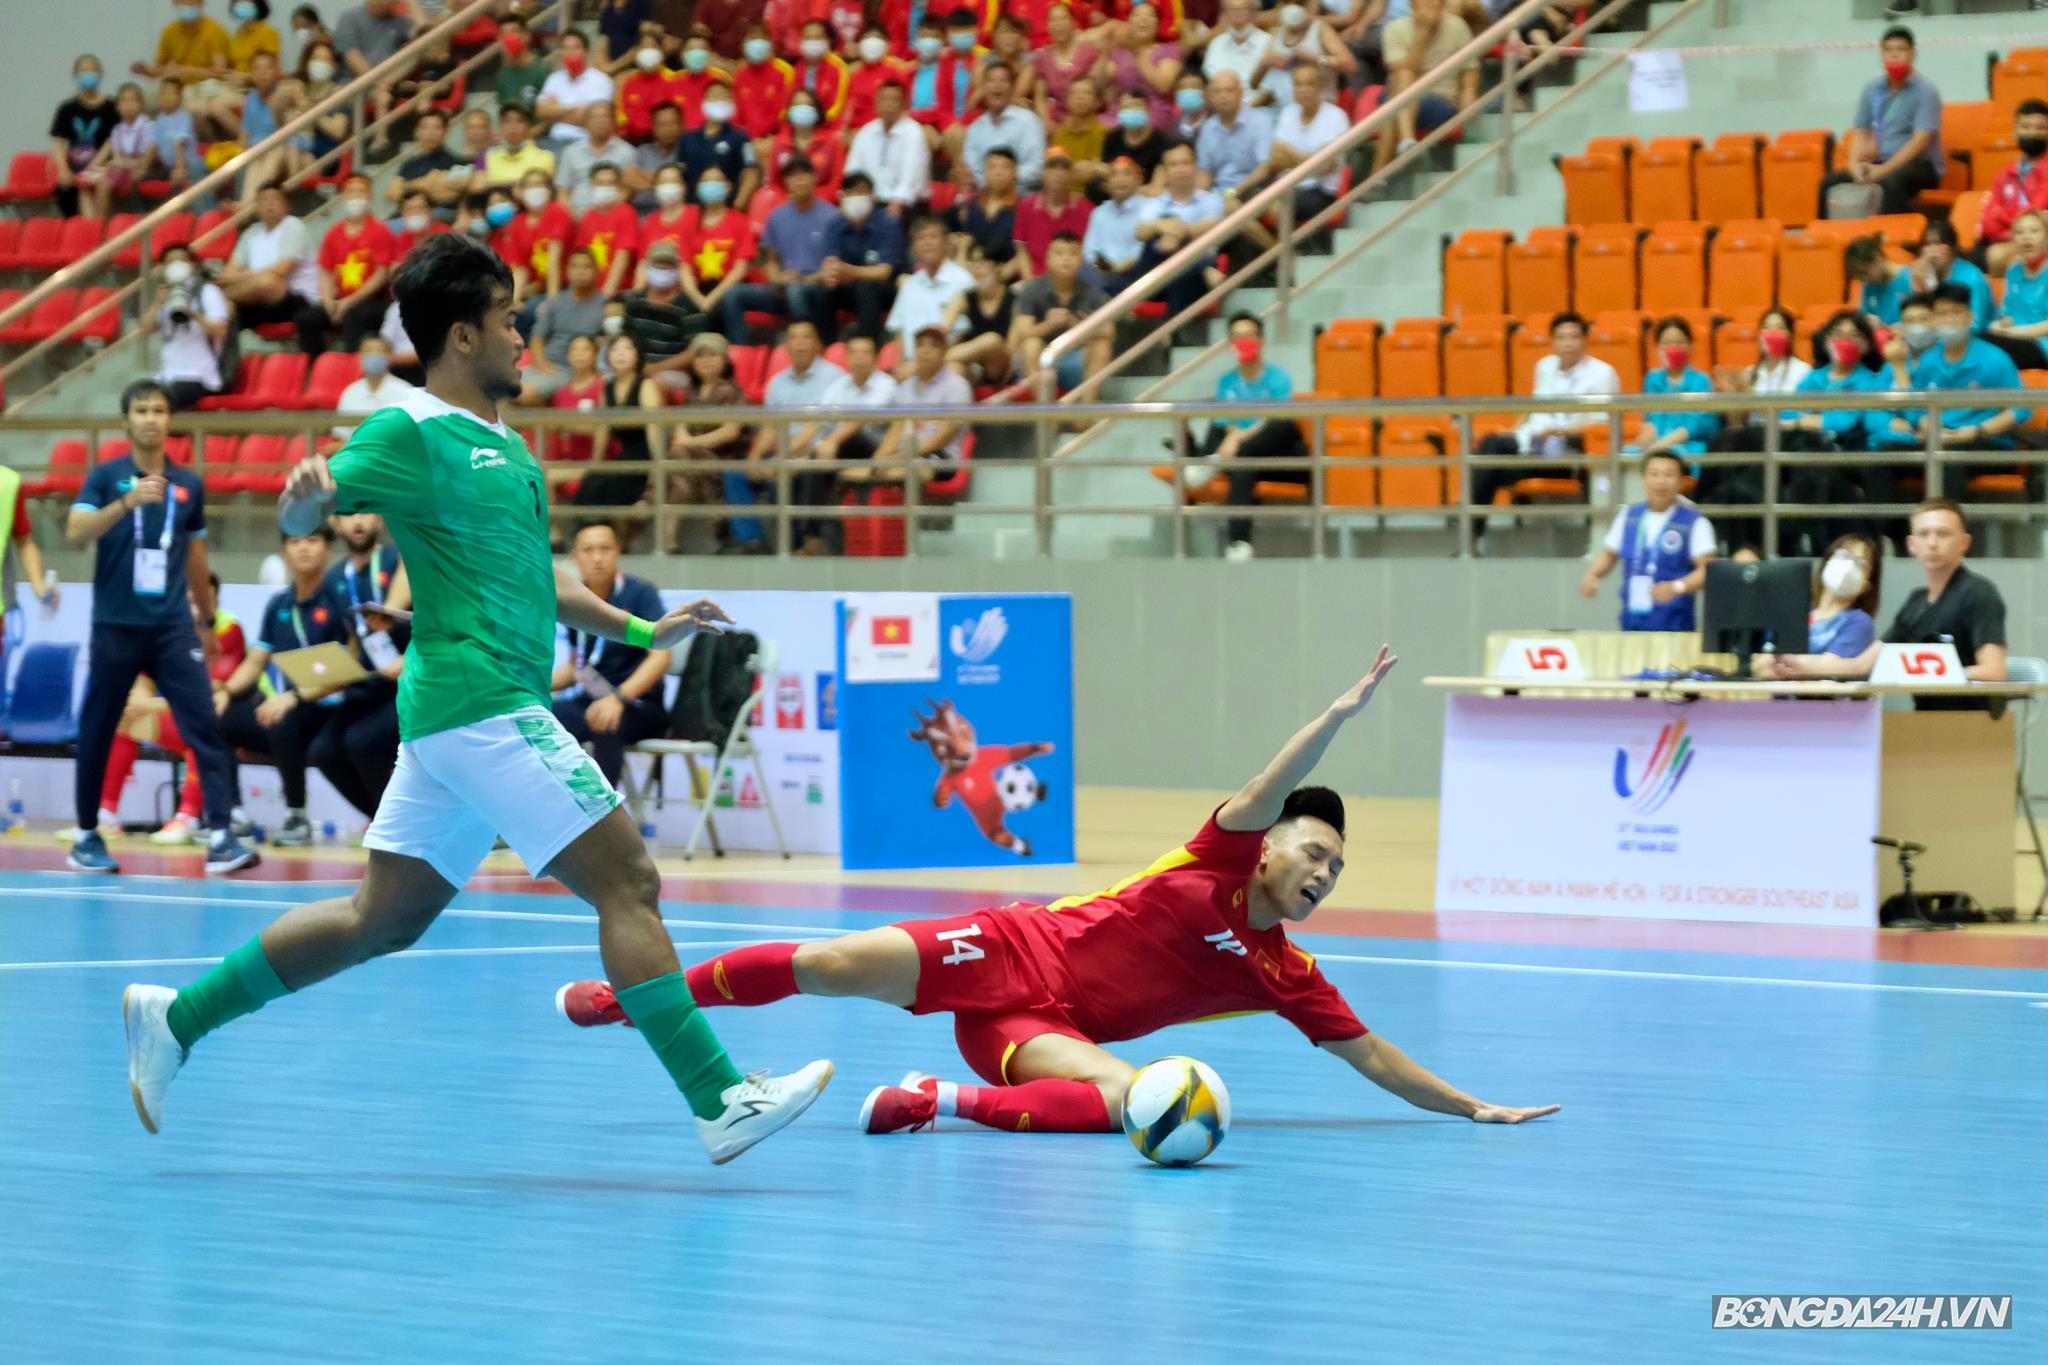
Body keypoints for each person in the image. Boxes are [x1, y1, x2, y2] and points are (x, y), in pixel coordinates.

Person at [122, 233, 830, 1165]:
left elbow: (539, 577)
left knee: (383, 917)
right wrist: (301, 503)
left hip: (449, 721)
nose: (522, 338)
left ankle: (178, 1018)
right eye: (507, 321)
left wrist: (644, 632)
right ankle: (720, 1096)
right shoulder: (408, 430)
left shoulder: (512, 452)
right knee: (629, 881)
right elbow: (317, 503)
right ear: (461, 337)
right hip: (484, 705)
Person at [559, 647, 1561, 1137]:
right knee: (826, 964)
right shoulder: (1214, 856)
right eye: (1311, 852)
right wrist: (1336, 713)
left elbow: (1372, 1055)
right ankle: (627, 999)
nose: (1320, 872)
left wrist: (1470, 1107)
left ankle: (933, 1098)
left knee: (1136, 1096)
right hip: (1006, 949)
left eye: (1334, 871)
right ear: (1265, 852)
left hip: (1041, 1027)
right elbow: (1267, 784)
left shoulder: (1282, 972)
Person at [64, 381, 257, 876]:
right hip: (115, 625)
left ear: (170, 420)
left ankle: (219, 836)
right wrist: (125, 505)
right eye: (141, 410)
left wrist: (208, 617)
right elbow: (75, 531)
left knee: (203, 725)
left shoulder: (189, 484)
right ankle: (87, 835)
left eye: (159, 410)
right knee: (98, 729)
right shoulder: (106, 477)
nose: (150, 419)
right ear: (126, 420)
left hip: (172, 627)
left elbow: (195, 555)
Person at [213, 525, 373, 837]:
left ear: (328, 548)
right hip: (293, 708)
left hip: (336, 708)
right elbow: (257, 660)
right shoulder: (278, 606)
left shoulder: (341, 598)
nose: (303, 549)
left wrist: (294, 698)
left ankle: (296, 815)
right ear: (284, 551)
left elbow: (356, 659)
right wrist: (226, 692)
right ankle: (232, 813)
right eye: (294, 542)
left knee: (282, 719)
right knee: (221, 718)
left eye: (312, 541)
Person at [1756, 499, 2006, 695]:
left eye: (1943, 534)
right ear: (1911, 544)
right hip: (1924, 719)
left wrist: (1940, 673)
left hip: (1972, 717)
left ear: (1964, 542)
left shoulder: (1979, 593)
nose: (1932, 543)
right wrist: (1791, 664)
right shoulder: (1916, 603)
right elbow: (1859, 666)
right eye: (1924, 534)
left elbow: (1994, 671)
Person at [549, 522, 671, 783]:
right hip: (592, 697)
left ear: (618, 552)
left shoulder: (639, 593)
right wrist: (532, 687)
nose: (597, 558)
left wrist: (618, 698)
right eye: (588, 550)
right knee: (546, 716)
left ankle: (603, 817)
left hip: (637, 704)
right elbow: (577, 667)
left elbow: (660, 656)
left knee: (604, 719)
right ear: (574, 558)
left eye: (605, 548)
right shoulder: (574, 599)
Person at [1470, 311, 1617, 510]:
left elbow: (1601, 426)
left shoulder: (1602, 373)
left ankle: (1470, 527)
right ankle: (1472, 525)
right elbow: (1533, 407)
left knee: (1490, 469)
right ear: (1553, 341)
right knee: (1490, 448)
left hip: (1567, 452)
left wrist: (1557, 431)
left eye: (1574, 337)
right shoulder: (1544, 366)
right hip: (1531, 444)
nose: (1568, 343)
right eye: (1561, 337)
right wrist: (1513, 431)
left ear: (1585, 340)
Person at [1576, 451, 1716, 632]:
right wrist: (1592, 574)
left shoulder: (1694, 522)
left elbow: (1708, 569)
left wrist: (1677, 587)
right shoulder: (1628, 516)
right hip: (1632, 622)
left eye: (1668, 475)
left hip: (1675, 625)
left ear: (1681, 482)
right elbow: (1610, 554)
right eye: (1654, 474)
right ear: (1644, 478)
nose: (1660, 481)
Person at [738, 320, 846, 552]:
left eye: (806, 337)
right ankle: (752, 542)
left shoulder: (835, 378)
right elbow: (770, 427)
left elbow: (818, 426)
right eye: (794, 338)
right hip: (784, 454)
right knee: (735, 474)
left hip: (816, 452)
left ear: (817, 344)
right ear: (786, 345)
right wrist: (755, 457)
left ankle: (796, 546)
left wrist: (781, 460)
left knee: (782, 478)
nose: (800, 343)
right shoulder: (778, 381)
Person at [1821, 26, 1943, 218]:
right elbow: (1861, 131)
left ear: (1913, 54)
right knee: (1829, 182)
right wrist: (1853, 163)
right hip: (1882, 162)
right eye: (1888, 50)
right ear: (1881, 54)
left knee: (1894, 181)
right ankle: (1825, 240)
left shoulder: (1926, 91)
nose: (1894, 55)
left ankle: (1893, 239)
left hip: (1921, 167)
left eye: (1900, 49)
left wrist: (1884, 171)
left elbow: (1921, 140)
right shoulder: (1872, 89)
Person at [719, 156, 842, 340]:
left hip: (819, 289)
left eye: (804, 174)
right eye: (793, 175)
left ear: (814, 178)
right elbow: (770, 259)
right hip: (785, 288)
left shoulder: (832, 217)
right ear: (786, 182)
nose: (799, 180)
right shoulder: (776, 217)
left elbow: (835, 266)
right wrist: (777, 277)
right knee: (733, 295)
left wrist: (804, 279)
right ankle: (741, 354)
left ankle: (801, 342)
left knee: (796, 290)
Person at [1911, 282, 2033, 466]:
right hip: (1939, 438)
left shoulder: (1995, 358)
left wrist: (1978, 430)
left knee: (1949, 457)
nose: (1949, 320)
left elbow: (2022, 409)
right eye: (1942, 314)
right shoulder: (1928, 360)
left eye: (1956, 312)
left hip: (1986, 441)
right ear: (1934, 319)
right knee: (1886, 454)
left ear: (1970, 316)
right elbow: (1915, 407)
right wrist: (1929, 427)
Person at [665, 331, 755, 553]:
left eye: (712, 355)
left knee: (680, 456)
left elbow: (730, 432)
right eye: (700, 356)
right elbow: (680, 426)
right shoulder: (691, 393)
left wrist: (692, 443)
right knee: (680, 456)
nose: (706, 361)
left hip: (725, 459)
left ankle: (665, 533)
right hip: (692, 460)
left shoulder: (734, 392)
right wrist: (685, 441)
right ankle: (672, 539)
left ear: (724, 360)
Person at [812, 330, 899, 549]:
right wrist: (820, 445)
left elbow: (864, 418)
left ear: (876, 358)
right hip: (842, 449)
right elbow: (822, 421)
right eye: (854, 353)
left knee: (852, 438)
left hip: (877, 448)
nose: (860, 358)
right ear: (847, 357)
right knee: (809, 464)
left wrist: (831, 442)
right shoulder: (838, 386)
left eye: (866, 352)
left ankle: (820, 527)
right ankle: (812, 535)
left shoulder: (886, 384)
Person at [218, 180, 327, 354]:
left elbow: (282, 270)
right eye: (263, 200)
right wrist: (234, 280)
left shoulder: (293, 226)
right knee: (221, 315)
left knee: (267, 282)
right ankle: (220, 369)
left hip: (297, 299)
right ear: (256, 206)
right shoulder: (251, 232)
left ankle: (215, 297)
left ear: (286, 205)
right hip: (259, 301)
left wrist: (238, 279)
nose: (269, 204)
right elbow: (229, 272)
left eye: (274, 199)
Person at [1372, 0, 1475, 175]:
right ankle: (1406, 141)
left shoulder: (1457, 26)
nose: (1432, 9)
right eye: (1425, 4)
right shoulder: (1394, 29)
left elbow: (1470, 73)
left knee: (1393, 106)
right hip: (1403, 92)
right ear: (1413, 6)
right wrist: (1422, 33)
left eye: (1436, 5)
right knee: (1404, 77)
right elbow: (1405, 69)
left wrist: (1468, 101)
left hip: (1440, 99)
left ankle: (1379, 175)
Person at [576, 333, 664, 527]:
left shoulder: (646, 385)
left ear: (638, 355)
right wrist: (595, 463)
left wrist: (655, 470)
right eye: (615, 349)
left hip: (645, 458)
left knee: (610, 485)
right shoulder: (607, 387)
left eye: (627, 349)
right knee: (592, 481)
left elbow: (654, 431)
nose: (620, 354)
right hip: (624, 457)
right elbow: (603, 429)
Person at [867, 325, 973, 480]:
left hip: (939, 456)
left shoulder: (957, 386)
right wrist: (880, 458)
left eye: (933, 346)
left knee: (904, 472)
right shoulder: (905, 387)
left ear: (944, 351)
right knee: (857, 471)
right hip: (902, 454)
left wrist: (898, 459)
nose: (925, 350)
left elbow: (944, 435)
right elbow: (896, 428)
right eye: (920, 345)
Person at [1013, 230, 1114, 393]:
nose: (1066, 259)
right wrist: (1047, 325)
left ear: (1081, 260)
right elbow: (1023, 332)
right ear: (1048, 258)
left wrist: (1081, 327)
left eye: (1073, 254)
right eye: (1059, 253)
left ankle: (1085, 415)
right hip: (1041, 358)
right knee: (1031, 343)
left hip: (1077, 358)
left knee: (1102, 345)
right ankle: (1045, 415)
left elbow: (1109, 332)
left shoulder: (1093, 293)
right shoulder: (1032, 289)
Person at [1135, 142, 1225, 315]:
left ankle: (1174, 338)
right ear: (1164, 172)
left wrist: (1177, 229)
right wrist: (1163, 225)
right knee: (1163, 223)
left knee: (1180, 272)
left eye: (1185, 163)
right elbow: (1140, 232)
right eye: (1174, 165)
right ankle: (1204, 268)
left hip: (1191, 277)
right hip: (1156, 274)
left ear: (1195, 167)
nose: (1181, 169)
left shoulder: (1211, 200)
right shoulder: (1155, 203)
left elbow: (1209, 226)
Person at [818, 173, 907, 339]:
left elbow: (883, 272)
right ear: (842, 197)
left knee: (866, 286)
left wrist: (846, 269)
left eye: (861, 192)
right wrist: (831, 275)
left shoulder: (887, 222)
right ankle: (827, 345)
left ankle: (870, 344)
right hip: (852, 288)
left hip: (890, 288)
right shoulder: (835, 224)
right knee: (821, 291)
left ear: (872, 197)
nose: (856, 198)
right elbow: (831, 265)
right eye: (851, 193)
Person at [318, 174, 398, 353]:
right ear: (343, 196)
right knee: (306, 318)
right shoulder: (333, 233)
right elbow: (325, 272)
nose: (356, 197)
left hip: (372, 300)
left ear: (370, 197)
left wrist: (348, 302)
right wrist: (329, 303)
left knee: (354, 313)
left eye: (361, 192)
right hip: (340, 298)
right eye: (351, 192)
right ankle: (316, 365)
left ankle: (352, 366)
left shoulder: (380, 230)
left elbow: (380, 275)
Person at [520, 249, 612, 405]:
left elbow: (609, 344)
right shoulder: (556, 302)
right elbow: (537, 338)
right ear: (567, 271)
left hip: (574, 370)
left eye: (586, 267)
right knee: (498, 389)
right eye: (575, 267)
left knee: (525, 393)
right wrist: (542, 365)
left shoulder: (605, 305)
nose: (580, 272)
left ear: (596, 271)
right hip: (546, 366)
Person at [148, 246, 233, 412]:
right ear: (162, 267)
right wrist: (158, 303)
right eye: (171, 261)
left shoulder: (208, 292)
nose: (177, 265)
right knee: (136, 399)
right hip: (168, 373)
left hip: (199, 374)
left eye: (182, 260)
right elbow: (146, 329)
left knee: (164, 403)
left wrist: (193, 313)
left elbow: (220, 330)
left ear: (193, 265)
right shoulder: (164, 295)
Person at [1977, 100, 2048, 277]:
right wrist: (2011, 225)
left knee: (1997, 256)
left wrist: (2001, 215)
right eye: (2026, 127)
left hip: (2038, 241)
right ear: (2015, 131)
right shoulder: (2004, 174)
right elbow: (1987, 223)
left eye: (2040, 128)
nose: (2033, 133)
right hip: (2003, 240)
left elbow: (2032, 215)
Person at [883, 217, 975, 354]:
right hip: (910, 365)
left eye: (933, 237)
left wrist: (925, 364)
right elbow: (899, 331)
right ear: (913, 247)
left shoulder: (963, 280)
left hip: (948, 361)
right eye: (921, 238)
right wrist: (900, 368)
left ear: (946, 242)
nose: (927, 243)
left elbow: (963, 333)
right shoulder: (909, 285)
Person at [1636, 316, 1720, 459]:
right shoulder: (1652, 379)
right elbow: (1651, 419)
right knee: (1626, 454)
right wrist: (1646, 437)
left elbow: (1693, 426)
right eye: (1667, 343)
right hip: (1657, 445)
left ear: (1690, 346)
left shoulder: (1701, 381)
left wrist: (1661, 447)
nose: (1673, 348)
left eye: (1679, 343)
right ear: (1657, 348)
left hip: (1691, 445)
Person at [846, 80, 932, 213]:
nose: (888, 104)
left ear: (904, 104)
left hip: (907, 204)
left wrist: (897, 202)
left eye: (894, 100)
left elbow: (911, 177)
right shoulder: (866, 131)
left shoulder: (913, 132)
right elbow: (853, 170)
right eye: (883, 99)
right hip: (872, 201)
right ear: (876, 103)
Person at [1097, 3, 1182, 134]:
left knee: (1120, 131)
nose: (1143, 20)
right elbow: (1099, 85)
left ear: (1158, 24)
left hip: (1153, 112)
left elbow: (1164, 85)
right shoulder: (1120, 53)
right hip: (1121, 110)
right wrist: (1104, 52)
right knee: (1095, 127)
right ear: (1129, 23)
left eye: (1150, 16)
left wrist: (1138, 53)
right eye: (1137, 15)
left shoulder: (1169, 50)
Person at [50, 55, 119, 217]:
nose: (88, 74)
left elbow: (113, 141)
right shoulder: (66, 109)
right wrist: (64, 170)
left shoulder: (112, 107)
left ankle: (97, 230)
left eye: (92, 70)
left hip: (103, 166)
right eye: (84, 70)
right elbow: (59, 143)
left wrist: (94, 166)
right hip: (74, 167)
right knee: (65, 190)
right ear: (75, 74)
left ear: (100, 73)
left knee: (94, 185)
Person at [959, 62, 1046, 190]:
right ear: (983, 88)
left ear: (1012, 88)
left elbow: (1037, 165)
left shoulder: (1028, 121)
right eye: (991, 81)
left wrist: (1005, 178)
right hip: (984, 194)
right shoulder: (976, 127)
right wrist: (988, 183)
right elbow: (971, 167)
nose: (997, 86)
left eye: (1003, 80)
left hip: (1020, 194)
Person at [1798, 534, 1884, 661]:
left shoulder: (1859, 622)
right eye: (1844, 555)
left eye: (1861, 563)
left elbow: (1827, 665)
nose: (1849, 566)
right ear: (1827, 562)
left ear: (1866, 585)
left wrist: (1783, 662)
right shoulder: (1798, 616)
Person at [677, 80, 761, 208]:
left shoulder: (740, 137)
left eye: (725, 97)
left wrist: (738, 205)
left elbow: (751, 173)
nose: (720, 100)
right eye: (715, 96)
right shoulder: (687, 138)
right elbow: (679, 174)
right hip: (692, 208)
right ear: (704, 101)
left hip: (726, 209)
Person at [941, 244, 1017, 385]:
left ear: (998, 267)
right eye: (973, 262)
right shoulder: (964, 297)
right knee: (953, 368)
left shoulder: (1014, 298)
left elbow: (1012, 348)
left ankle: (935, 361)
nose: (976, 269)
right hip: (975, 364)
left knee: (992, 340)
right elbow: (942, 329)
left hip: (1003, 366)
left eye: (982, 263)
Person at [77, 82, 154, 221]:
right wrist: (102, 167)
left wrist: (118, 164)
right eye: (124, 100)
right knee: (84, 183)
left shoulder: (147, 126)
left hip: (136, 173)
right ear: (118, 106)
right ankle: (89, 225)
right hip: (119, 171)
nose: (128, 105)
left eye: (133, 100)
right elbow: (117, 158)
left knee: (103, 183)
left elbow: (144, 160)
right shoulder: (117, 130)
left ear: (140, 105)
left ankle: (100, 226)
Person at [945, 146, 1025, 276]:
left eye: (1005, 167)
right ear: (985, 172)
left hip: (1005, 274)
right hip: (970, 270)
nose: (998, 173)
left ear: (1015, 172)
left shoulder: (1022, 208)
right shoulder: (972, 206)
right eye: (992, 167)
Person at [1015, 150, 1094, 276]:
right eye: (1052, 167)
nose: (1058, 173)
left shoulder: (1086, 208)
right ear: (1043, 174)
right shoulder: (1026, 206)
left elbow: (1089, 254)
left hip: (1075, 280)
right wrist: (1030, 283)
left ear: (1072, 175)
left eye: (1064, 168)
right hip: (1035, 279)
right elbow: (1021, 249)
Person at [1909, 219, 1994, 333]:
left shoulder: (1973, 278)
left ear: (1952, 248)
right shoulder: (1924, 276)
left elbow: (1976, 326)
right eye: (1928, 244)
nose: (1932, 251)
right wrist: (1917, 286)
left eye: (1938, 244)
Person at [1196, 69, 1271, 199]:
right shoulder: (1208, 127)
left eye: (1229, 90)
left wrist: (1233, 192)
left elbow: (1264, 168)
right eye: (1217, 92)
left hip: (1253, 190)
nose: (1223, 96)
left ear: (1241, 93)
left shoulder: (1260, 121)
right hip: (1218, 192)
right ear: (1210, 97)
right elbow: (1204, 172)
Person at [1990, 209, 2048, 370]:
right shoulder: (2013, 269)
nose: (2026, 237)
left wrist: (2015, 333)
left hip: (2041, 344)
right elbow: (2008, 315)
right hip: (2013, 339)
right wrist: (2000, 325)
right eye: (2020, 232)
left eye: (2034, 231)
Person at [538, 30, 617, 146]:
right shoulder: (554, 78)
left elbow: (594, 120)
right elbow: (541, 112)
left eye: (575, 48)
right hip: (554, 140)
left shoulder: (602, 81)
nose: (570, 52)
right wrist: (573, 109)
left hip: (586, 142)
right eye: (566, 48)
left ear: (586, 52)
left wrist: (555, 113)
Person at [1081, 155, 1149, 290]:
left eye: (1127, 174)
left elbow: (1139, 253)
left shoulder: (1150, 208)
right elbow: (1090, 251)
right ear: (1106, 184)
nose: (1120, 180)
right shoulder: (1099, 212)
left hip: (1136, 274)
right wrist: (1105, 269)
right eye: (1114, 174)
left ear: (1139, 180)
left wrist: (1114, 270)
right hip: (1102, 273)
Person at [556, 104, 638, 215]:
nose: (600, 121)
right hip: (576, 215)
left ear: (613, 121)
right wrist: (571, 216)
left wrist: (603, 217)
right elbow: (563, 191)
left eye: (605, 117)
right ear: (585, 122)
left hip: (612, 215)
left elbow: (628, 190)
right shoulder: (570, 152)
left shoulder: (627, 152)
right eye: (594, 117)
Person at [1031, 3, 1101, 122]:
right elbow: (1040, 97)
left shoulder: (1089, 51)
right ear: (1047, 25)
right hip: (1056, 119)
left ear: (1074, 23)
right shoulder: (1043, 56)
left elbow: (1097, 95)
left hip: (1087, 118)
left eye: (1063, 19)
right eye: (1053, 20)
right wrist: (1046, 122)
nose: (1059, 25)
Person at [333, 335, 415, 435]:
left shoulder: (405, 391)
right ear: (360, 355)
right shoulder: (350, 392)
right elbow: (340, 433)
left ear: (390, 355)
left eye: (380, 350)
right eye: (368, 350)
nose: (374, 355)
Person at [773, 89, 846, 197]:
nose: (802, 109)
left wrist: (811, 199)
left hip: (823, 203)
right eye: (797, 105)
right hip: (788, 203)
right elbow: (774, 183)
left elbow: (838, 181)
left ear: (816, 111)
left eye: (807, 105)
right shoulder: (779, 143)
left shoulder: (832, 142)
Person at [1050, 76, 1109, 196]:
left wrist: (1072, 170)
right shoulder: (1061, 133)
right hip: (1061, 194)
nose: (1079, 98)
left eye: (1087, 93)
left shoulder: (1104, 133)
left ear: (1098, 101)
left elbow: (1100, 174)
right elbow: (1053, 170)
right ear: (1067, 100)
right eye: (1074, 93)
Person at [484, 103, 556, 189]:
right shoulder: (489, 157)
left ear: (528, 127)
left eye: (519, 121)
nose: (513, 127)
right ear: (500, 127)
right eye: (507, 121)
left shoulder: (546, 157)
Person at [493, 21, 554, 116]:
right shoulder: (502, 75)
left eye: (513, 32)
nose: (509, 37)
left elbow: (551, 114)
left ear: (526, 36)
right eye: (504, 34)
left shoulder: (543, 70)